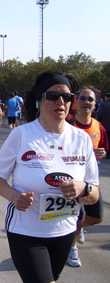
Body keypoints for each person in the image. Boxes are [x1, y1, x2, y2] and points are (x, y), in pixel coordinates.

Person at [0, 71, 99, 283]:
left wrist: (83, 188)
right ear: (40, 100)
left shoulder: (81, 139)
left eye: (66, 97)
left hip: (65, 231)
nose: (60, 101)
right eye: (53, 96)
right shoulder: (21, 135)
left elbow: (94, 194)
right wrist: (14, 196)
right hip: (25, 231)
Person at [66, 88, 108, 267]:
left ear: (95, 102)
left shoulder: (98, 126)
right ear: (76, 101)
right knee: (77, 215)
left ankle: (77, 229)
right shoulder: (67, 125)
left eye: (89, 99)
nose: (86, 102)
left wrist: (102, 153)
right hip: (71, 179)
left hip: (91, 180)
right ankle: (71, 248)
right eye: (82, 98)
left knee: (97, 218)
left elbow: (104, 150)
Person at [97, 93, 110, 158]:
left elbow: (100, 115)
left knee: (106, 140)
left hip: (106, 126)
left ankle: (107, 154)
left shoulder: (104, 105)